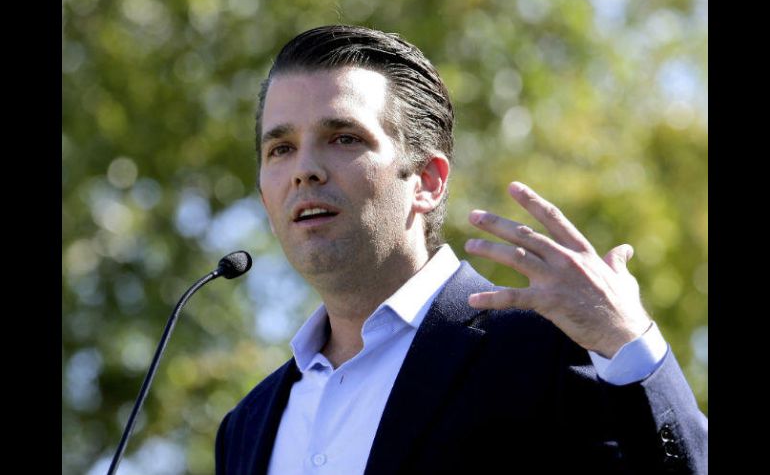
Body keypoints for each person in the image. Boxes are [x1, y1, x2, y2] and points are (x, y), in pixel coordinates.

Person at [215, 25, 707, 475]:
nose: (305, 170)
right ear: (264, 195)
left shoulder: (550, 350)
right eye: (281, 149)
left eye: (343, 138)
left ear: (427, 181)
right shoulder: (244, 426)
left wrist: (628, 344)